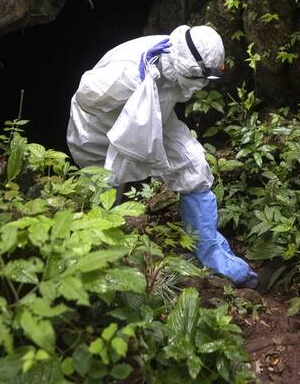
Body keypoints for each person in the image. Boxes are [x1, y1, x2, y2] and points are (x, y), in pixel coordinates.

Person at [67, 25, 258, 288]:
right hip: (100, 129)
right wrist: (135, 78)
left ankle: (210, 252)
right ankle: (96, 265)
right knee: (106, 188)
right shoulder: (137, 65)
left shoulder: (175, 59)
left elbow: (171, 92)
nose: (203, 85)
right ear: (188, 68)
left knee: (193, 165)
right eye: (201, 77)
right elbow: (86, 95)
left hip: (154, 114)